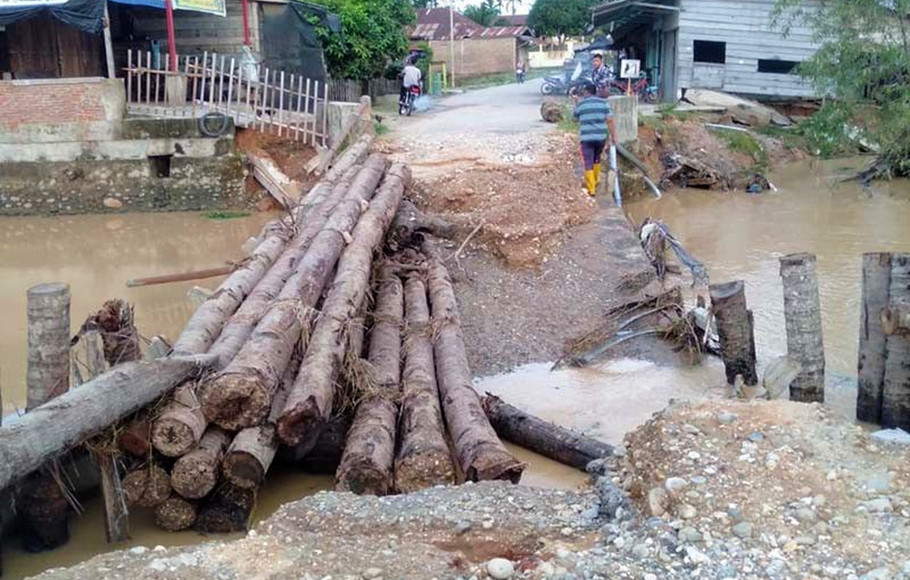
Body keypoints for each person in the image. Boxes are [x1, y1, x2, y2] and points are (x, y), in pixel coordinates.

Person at [573, 80, 618, 197]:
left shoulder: (581, 104)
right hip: (600, 138)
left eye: (584, 92)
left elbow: (574, 119)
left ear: (587, 92)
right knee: (597, 158)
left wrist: (576, 103)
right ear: (595, 92)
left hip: (586, 139)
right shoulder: (604, 103)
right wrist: (614, 136)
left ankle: (591, 189)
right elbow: (610, 120)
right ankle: (596, 179)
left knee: (588, 161)